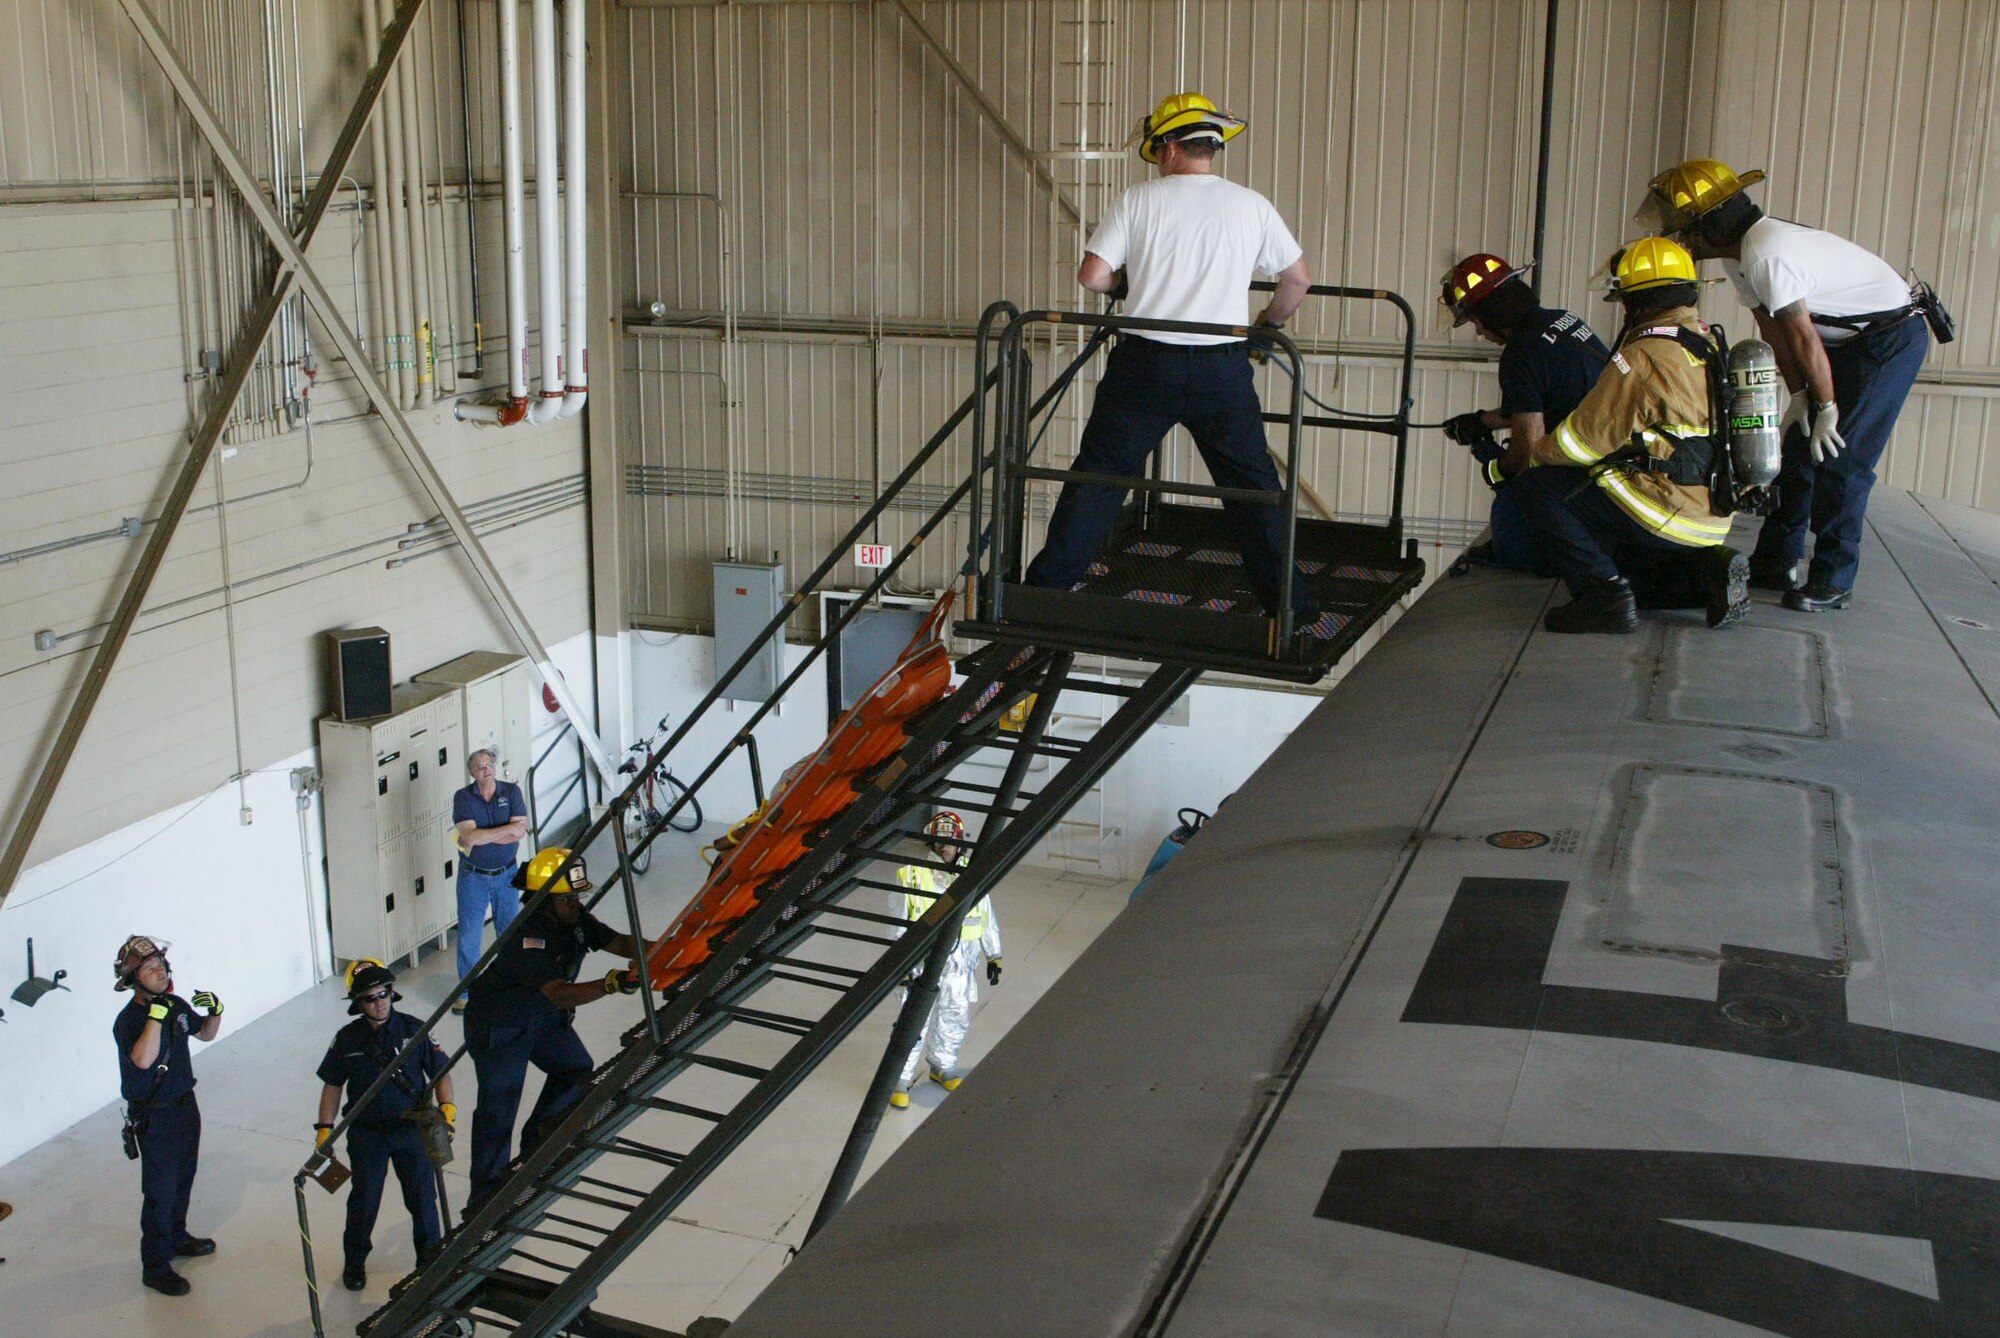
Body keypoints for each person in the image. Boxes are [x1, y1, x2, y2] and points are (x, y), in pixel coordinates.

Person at [1023, 91, 1318, 629]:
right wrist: (1266, 327)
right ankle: (1291, 605)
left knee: (1101, 476)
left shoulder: (1139, 200)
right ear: (1210, 146)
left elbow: (1092, 276)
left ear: (1169, 148)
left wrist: (1125, 285)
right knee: (1253, 489)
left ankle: (1049, 589)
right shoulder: (1251, 204)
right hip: (1221, 367)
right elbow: (1296, 281)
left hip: (1144, 365)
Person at [1638, 158, 1932, 610]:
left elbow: (1803, 338)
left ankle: (1834, 579)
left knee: (1842, 459)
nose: (1681, 238)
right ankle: (1776, 562)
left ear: (1710, 226)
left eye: (1686, 228)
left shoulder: (1766, 255)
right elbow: (1773, 331)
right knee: (1796, 448)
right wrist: (1798, 398)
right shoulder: (1740, 257)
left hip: (1885, 342)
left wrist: (1827, 406)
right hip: (1841, 342)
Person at [1493, 237, 1749, 634]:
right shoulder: (1706, 340)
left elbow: (1582, 442)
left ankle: (1604, 597)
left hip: (1668, 506)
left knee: (1539, 489)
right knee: (1631, 574)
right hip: (1712, 512)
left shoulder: (1644, 355)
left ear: (1637, 302)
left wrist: (1532, 457)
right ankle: (1707, 575)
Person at [463, 847, 648, 1210]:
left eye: (577, 896)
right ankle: (484, 1200)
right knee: (498, 1110)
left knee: (575, 1067)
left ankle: (537, 1143)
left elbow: (618, 942)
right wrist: (609, 985)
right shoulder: (526, 938)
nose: (576, 904)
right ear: (544, 900)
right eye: (568, 899)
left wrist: (673, 948)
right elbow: (561, 995)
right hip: (501, 1025)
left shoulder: (572, 918)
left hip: (540, 1014)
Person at [1437, 252, 1610, 572]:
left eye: (1475, 320)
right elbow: (1542, 399)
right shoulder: (1561, 320)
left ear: (1492, 312)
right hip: (1610, 451)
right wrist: (1480, 421)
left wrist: (1495, 469)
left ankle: (1535, 556)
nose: (1478, 332)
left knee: (1515, 499)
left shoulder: (1520, 353)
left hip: (1586, 472)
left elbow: (1528, 446)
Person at [313, 959, 455, 1292]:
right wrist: (324, 1128)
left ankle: (429, 1263)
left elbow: (440, 1073)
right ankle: (355, 1262)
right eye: (370, 998)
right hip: (368, 1135)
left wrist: (448, 1109)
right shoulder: (347, 1040)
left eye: (384, 994)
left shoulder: (415, 1029)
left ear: (392, 993)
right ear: (357, 1004)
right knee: (364, 1201)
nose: (379, 1003)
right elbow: (332, 1085)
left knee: (423, 1200)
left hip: (413, 1130)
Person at [111, 934, 222, 1296]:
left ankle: (176, 1237)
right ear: (133, 980)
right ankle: (155, 1267)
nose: (160, 972)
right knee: (160, 1191)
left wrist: (215, 1013)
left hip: (185, 1105)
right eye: (150, 968)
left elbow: (204, 1035)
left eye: (162, 965)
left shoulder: (173, 1004)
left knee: (184, 1177)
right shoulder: (129, 1021)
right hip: (155, 1116)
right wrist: (156, 1018)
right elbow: (142, 1060)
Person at [890, 812, 1003, 1110]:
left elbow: (985, 915)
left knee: (955, 1015)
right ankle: (898, 1078)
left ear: (959, 843)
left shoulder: (973, 873)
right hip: (921, 964)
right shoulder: (912, 874)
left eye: (949, 843)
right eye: (939, 843)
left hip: (961, 964)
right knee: (914, 1020)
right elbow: (898, 922)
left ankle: (943, 1065)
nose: (944, 848)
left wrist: (994, 954)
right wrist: (898, 964)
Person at [452, 748, 529, 996]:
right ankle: (467, 993)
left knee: (509, 933)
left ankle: (510, 984)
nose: (486, 770)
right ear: (472, 773)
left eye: (489, 765)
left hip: (507, 875)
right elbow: (469, 836)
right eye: (480, 767)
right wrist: (505, 830)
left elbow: (520, 831)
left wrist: (481, 837)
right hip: (473, 877)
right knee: (469, 938)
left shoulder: (511, 791)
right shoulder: (463, 798)